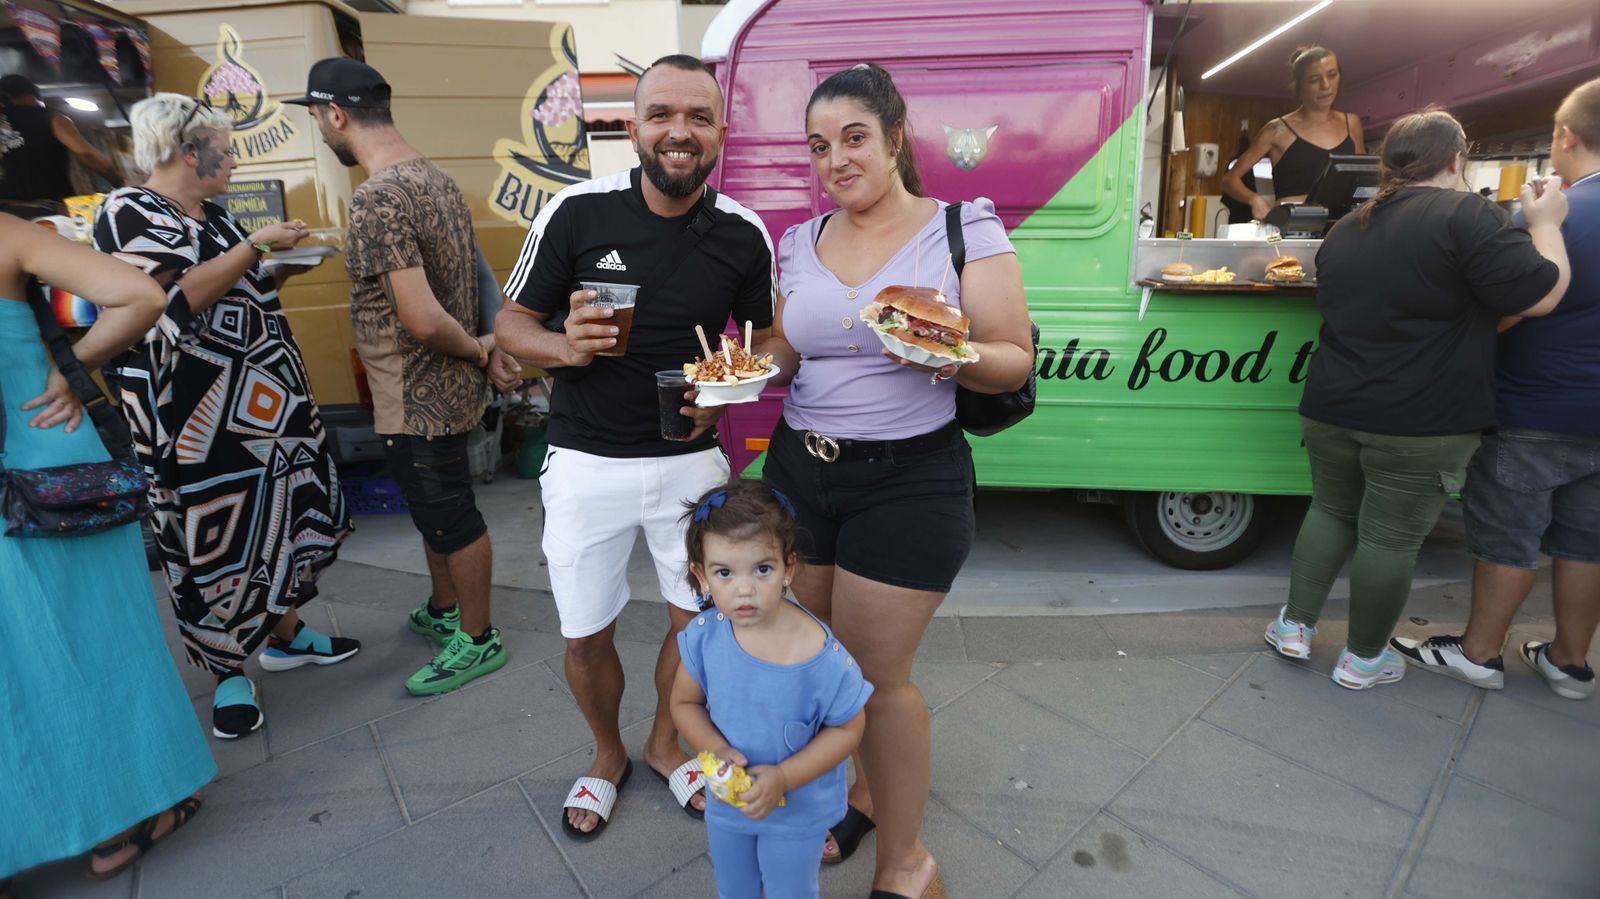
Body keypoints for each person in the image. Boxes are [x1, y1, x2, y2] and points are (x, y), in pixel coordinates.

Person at [753, 63, 1032, 898]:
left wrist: (944, 350)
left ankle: (909, 863)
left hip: (909, 479)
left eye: (853, 138)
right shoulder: (797, 242)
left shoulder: (961, 227)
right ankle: (864, 794)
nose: (835, 159)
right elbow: (785, 349)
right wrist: (736, 372)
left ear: (895, 138)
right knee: (822, 662)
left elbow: (1011, 355)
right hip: (803, 470)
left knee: (877, 677)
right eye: (818, 146)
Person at [495, 54, 775, 837]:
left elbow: (772, 338)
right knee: (585, 633)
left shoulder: (742, 233)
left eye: (697, 117)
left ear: (721, 132)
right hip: (586, 461)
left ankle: (662, 742)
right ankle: (606, 752)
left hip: (691, 464)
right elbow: (512, 328)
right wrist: (565, 348)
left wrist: (728, 381)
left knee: (700, 628)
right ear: (632, 126)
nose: (678, 133)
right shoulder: (577, 213)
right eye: (661, 115)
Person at [1262, 108, 1571, 690]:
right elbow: (1541, 293)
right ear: (1457, 158)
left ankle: (1295, 628)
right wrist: (1546, 222)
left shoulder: (1346, 227)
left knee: (1329, 512)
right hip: (1422, 418)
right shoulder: (1470, 217)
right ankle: (1361, 658)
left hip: (1332, 405)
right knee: (1389, 538)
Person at [93, 93, 357, 739]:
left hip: (261, 406)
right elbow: (167, 302)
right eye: (227, 147)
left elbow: (235, 294)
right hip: (189, 417)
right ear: (189, 151)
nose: (234, 159)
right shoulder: (126, 210)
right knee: (207, 535)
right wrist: (257, 246)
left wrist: (275, 266)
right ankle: (227, 671)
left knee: (280, 514)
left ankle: (286, 636)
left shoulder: (211, 215)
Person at [291, 58, 521, 695]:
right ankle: (446, 610)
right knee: (435, 510)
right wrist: (491, 344)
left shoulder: (376, 197)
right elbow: (477, 276)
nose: (320, 130)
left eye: (316, 118)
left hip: (413, 393)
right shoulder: (436, 178)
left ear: (336, 114)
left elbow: (420, 318)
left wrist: (480, 351)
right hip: (442, 390)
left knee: (450, 514)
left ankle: (477, 638)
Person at [0, 214, 213, 884]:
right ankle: (123, 822)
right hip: (49, 471)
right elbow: (141, 295)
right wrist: (76, 365)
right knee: (96, 642)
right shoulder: (8, 234)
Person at [1392, 79, 1600, 700]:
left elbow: (1500, 305)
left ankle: (1479, 653)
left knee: (1509, 534)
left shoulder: (1550, 214)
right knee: (1586, 540)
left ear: (1565, 135)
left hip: (1535, 402)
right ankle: (1569, 662)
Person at [669, 480, 871, 899]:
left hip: (797, 810)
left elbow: (849, 729)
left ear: (789, 568)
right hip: (729, 800)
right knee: (735, 886)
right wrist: (715, 748)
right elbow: (684, 702)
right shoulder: (705, 636)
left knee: (789, 889)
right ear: (701, 575)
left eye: (762, 569)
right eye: (725, 572)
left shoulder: (820, 654)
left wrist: (784, 776)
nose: (745, 589)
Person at [1222, 47, 1368, 222]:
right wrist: (1254, 199)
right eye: (1314, 80)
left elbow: (1363, 178)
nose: (1326, 85)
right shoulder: (1276, 130)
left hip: (1341, 226)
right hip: (1292, 227)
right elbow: (1230, 180)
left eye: (1332, 74)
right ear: (1300, 85)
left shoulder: (1351, 123)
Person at [0, 75, 119, 216]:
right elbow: (86, 154)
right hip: (47, 212)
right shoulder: (48, 116)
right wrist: (118, 180)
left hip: (5, 215)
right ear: (31, 95)